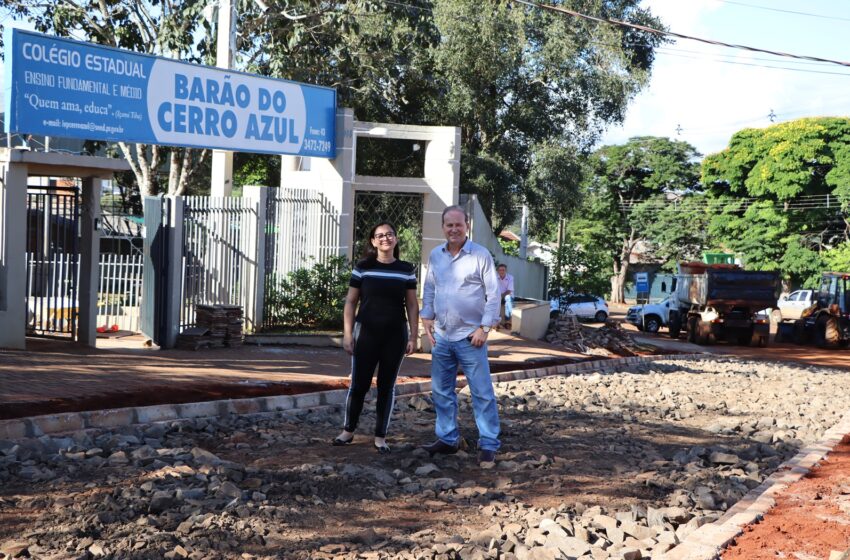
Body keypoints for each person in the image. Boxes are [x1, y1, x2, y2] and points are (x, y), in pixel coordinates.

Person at [420, 205, 501, 463]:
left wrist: (485, 328)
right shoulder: (436, 255)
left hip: (470, 338)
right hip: (442, 337)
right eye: (449, 225)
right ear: (443, 227)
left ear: (467, 226)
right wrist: (426, 318)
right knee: (441, 391)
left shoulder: (480, 255)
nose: (454, 229)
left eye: (458, 224)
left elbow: (493, 294)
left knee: (481, 392)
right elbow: (430, 288)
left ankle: (488, 442)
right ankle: (447, 438)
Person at [333, 222, 419, 454]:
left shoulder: (406, 269)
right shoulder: (363, 267)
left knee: (386, 386)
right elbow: (351, 302)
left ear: (396, 239)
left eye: (389, 234)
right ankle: (348, 431)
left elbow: (411, 304)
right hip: (366, 334)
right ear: (373, 241)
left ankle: (380, 437)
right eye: (380, 236)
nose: (385, 238)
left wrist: (414, 334)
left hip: (395, 335)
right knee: (359, 384)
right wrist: (348, 334)